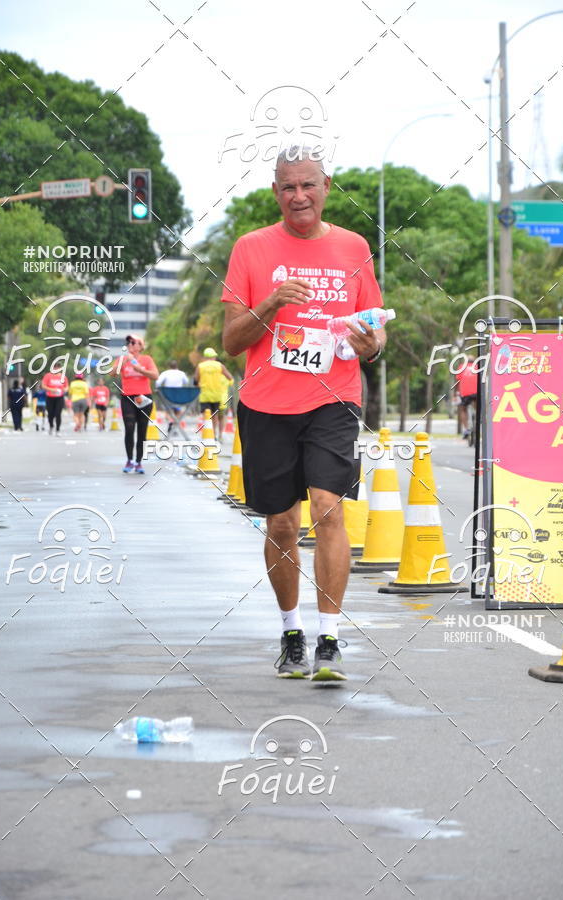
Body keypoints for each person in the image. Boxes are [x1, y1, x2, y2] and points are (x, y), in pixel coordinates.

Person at [222, 147, 386, 681]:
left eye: (308, 185)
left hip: (334, 398)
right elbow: (232, 341)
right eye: (288, 187)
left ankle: (329, 641)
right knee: (281, 522)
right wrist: (271, 303)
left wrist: (371, 345)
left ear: (326, 186)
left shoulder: (354, 247)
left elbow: (375, 328)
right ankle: (292, 633)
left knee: (328, 508)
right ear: (276, 192)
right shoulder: (250, 248)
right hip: (266, 403)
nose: (299, 196)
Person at [109, 334, 159, 474]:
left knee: (142, 431)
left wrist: (139, 369)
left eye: (133, 342)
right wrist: (124, 362)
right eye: (128, 342)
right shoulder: (122, 359)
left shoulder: (147, 359)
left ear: (140, 346)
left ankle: (138, 462)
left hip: (144, 397)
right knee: (129, 428)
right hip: (128, 397)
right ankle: (129, 460)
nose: (130, 344)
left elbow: (155, 375)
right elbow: (112, 373)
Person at [193, 348, 234, 439]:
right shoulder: (219, 366)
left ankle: (207, 434)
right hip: (217, 395)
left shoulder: (200, 366)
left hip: (205, 395)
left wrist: (200, 384)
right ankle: (214, 434)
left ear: (204, 357)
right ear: (214, 357)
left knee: (206, 415)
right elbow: (230, 377)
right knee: (215, 415)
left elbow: (195, 380)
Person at [41, 368, 69, 435]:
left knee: (58, 413)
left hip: (59, 398)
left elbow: (67, 387)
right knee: (50, 414)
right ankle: (51, 426)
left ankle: (58, 430)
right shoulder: (48, 376)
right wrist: (52, 390)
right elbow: (43, 386)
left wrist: (64, 390)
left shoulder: (63, 377)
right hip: (50, 397)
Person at [456, 356, 478, 438]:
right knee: (478, 407)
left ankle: (466, 429)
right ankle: (478, 418)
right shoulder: (478, 367)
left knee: (463, 409)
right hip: (476, 392)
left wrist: (456, 393)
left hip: (465, 393)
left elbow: (458, 381)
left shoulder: (461, 367)